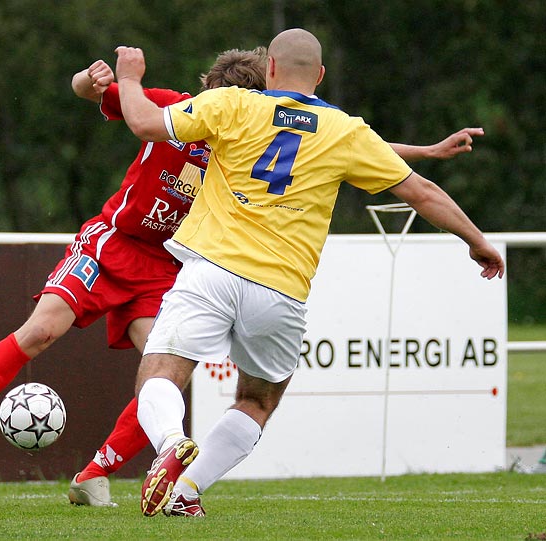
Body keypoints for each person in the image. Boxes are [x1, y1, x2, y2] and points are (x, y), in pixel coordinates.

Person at [0, 45, 486, 508]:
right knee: (43, 330)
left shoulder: (238, 132)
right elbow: (97, 96)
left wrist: (426, 153)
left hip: (166, 265)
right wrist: (94, 76)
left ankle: (96, 475)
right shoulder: (183, 107)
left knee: (163, 373)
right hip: (112, 242)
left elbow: (326, 141)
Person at [112, 28, 505, 518]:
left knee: (161, 372)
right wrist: (477, 241)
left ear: (269, 69)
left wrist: (130, 79)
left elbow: (146, 123)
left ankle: (171, 440)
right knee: (257, 401)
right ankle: (186, 493)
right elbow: (421, 192)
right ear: (320, 75)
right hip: (280, 291)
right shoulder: (344, 130)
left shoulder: (233, 104)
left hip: (211, 269)